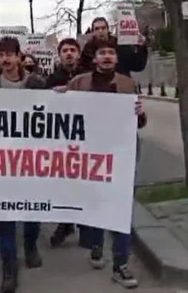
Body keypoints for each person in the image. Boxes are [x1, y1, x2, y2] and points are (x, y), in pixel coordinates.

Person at [58, 37, 145, 289]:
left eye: (111, 53)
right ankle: (96, 245)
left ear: (116, 59)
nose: (107, 56)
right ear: (94, 59)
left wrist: (141, 114)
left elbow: (137, 123)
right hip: (90, 156)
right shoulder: (79, 83)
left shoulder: (128, 84)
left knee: (120, 210)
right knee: (95, 205)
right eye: (102, 53)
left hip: (120, 154)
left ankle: (120, 264)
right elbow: (62, 113)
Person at [0, 36, 48, 293]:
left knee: (31, 209)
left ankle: (30, 246)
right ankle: (9, 268)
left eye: (9, 54)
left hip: (30, 159)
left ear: (20, 56)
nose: (5, 59)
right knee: (4, 213)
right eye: (1, 55)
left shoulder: (37, 84)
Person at [45, 38, 85, 248]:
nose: (69, 54)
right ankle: (66, 222)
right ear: (59, 56)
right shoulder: (52, 79)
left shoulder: (89, 76)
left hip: (87, 138)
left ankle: (82, 227)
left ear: (78, 54)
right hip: (62, 138)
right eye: (65, 51)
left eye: (72, 50)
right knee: (66, 183)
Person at [82, 17, 148, 77]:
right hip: (95, 86)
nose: (100, 31)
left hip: (120, 85)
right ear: (93, 32)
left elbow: (137, 66)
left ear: (108, 29)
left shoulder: (120, 45)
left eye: (103, 28)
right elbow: (83, 70)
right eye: (97, 29)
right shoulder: (88, 49)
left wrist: (141, 47)